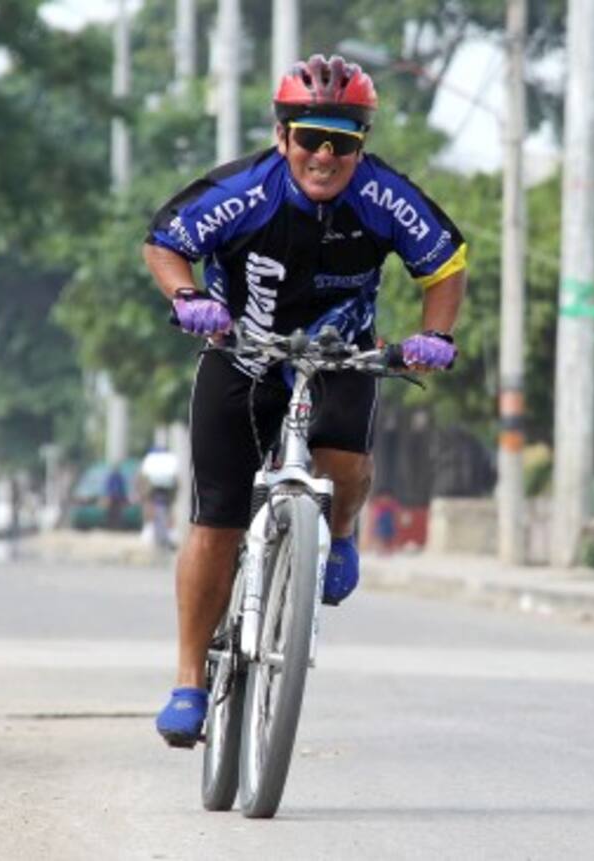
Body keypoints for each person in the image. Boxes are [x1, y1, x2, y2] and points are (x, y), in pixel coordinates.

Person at [143, 54, 467, 747]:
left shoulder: (383, 197)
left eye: (343, 142)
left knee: (346, 466)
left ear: (362, 145)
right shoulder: (244, 190)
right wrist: (188, 295)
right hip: (242, 356)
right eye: (310, 138)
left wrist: (435, 333)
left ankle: (340, 534)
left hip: (340, 354)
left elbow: (445, 264)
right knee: (216, 521)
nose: (324, 155)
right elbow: (165, 242)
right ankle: (188, 679)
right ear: (283, 134)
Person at [140, 444, 179, 550]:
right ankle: (162, 541)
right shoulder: (168, 464)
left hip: (157, 498)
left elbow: (143, 483)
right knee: (162, 519)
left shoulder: (150, 464)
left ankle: (162, 541)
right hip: (162, 498)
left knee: (160, 519)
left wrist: (145, 497)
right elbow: (176, 483)